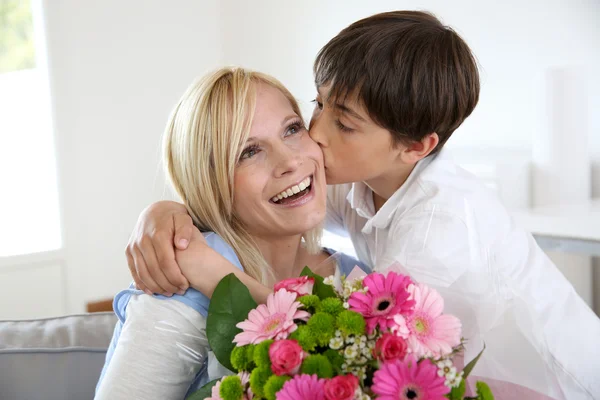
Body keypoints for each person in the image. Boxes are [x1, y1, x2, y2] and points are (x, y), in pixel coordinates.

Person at [126, 10, 600, 399]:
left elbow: (364, 346)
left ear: (415, 146)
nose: (313, 137)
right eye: (316, 107)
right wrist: (168, 211)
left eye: (345, 126)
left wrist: (211, 272)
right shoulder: (360, 175)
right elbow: (245, 193)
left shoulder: (439, 232)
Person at [95, 67, 370, 399]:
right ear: (210, 184)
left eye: (292, 129)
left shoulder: (357, 278)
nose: (290, 161)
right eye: (249, 152)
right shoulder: (180, 284)